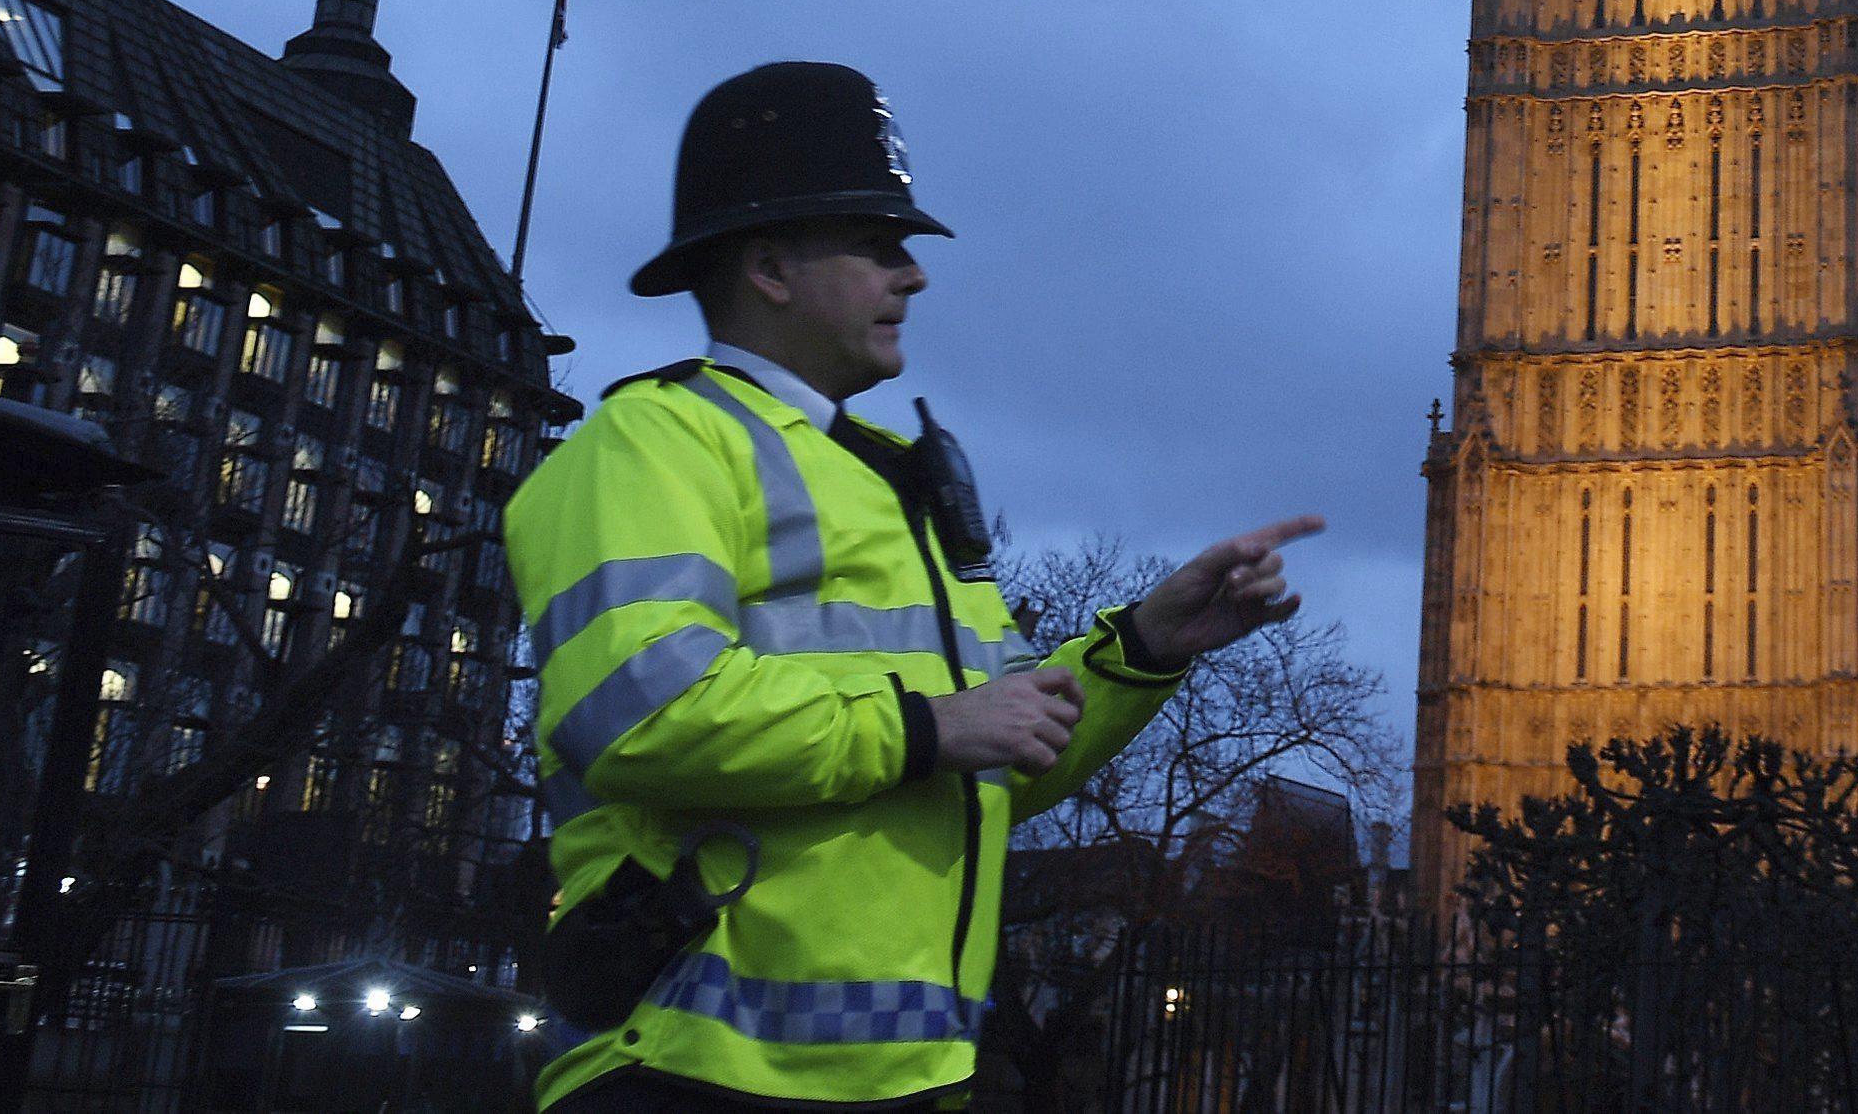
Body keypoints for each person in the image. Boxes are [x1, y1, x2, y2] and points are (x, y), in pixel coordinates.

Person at [505, 61, 1319, 1110]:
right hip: (691, 1074)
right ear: (768, 266)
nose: (913, 276)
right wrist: (928, 729)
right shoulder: (649, 444)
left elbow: (998, 757)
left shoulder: (900, 476)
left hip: (910, 1084)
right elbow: (640, 716)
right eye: (878, 246)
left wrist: (1143, 650)